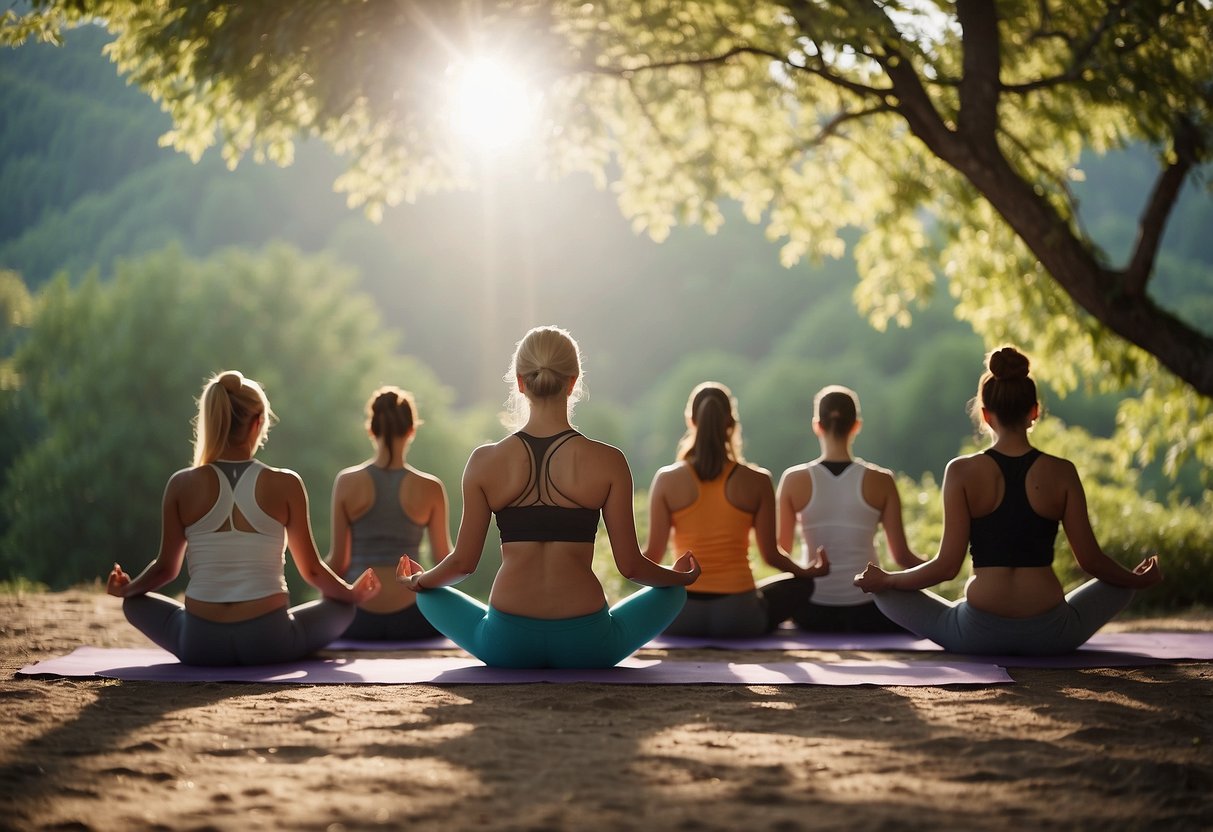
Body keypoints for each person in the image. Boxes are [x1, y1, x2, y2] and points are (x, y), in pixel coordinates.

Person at [396, 325, 700, 668]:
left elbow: (463, 564)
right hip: (587, 645)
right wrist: (680, 577)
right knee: (672, 593)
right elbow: (631, 567)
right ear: (573, 382)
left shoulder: (484, 462)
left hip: (505, 643)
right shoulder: (609, 461)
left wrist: (419, 580)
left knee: (427, 596)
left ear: (520, 382)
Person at [854, 347, 1162, 655]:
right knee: (1122, 584)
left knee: (885, 593)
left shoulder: (960, 472)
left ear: (986, 416)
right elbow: (1091, 561)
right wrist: (1135, 579)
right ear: (1035, 411)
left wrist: (889, 579)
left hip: (975, 634)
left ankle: (913, 595)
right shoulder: (1062, 472)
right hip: (1052, 634)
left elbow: (946, 568)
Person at [106, 370, 380, 666]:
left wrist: (127, 589)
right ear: (258, 421)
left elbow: (164, 570)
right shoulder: (286, 483)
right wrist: (351, 595)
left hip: (200, 643)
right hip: (268, 641)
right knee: (342, 609)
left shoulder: (180, 484)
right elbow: (312, 571)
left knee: (134, 605)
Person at [644, 381, 828, 637]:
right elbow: (771, 556)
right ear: (731, 423)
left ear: (691, 420)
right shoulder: (758, 480)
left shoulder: (666, 478)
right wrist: (808, 571)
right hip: (739, 617)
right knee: (801, 586)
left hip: (680, 616)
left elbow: (652, 556)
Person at [773, 385, 924, 632]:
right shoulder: (882, 480)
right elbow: (902, 557)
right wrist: (933, 565)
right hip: (867, 609)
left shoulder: (793, 479)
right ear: (856, 425)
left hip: (810, 610)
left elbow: (783, 552)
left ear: (817, 425)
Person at [326, 386, 450, 640]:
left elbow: (338, 563)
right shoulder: (431, 487)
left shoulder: (346, 482)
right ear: (412, 430)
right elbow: (444, 560)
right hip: (413, 618)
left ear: (371, 429)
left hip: (357, 619)